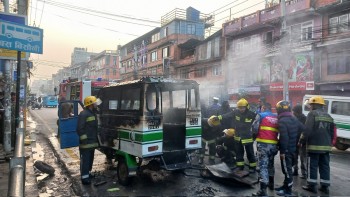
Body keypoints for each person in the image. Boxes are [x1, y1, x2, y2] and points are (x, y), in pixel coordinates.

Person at [209, 98, 257, 172]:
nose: (241, 109)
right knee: (239, 152)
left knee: (250, 152)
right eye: (240, 107)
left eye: (243, 107)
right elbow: (226, 115)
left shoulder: (252, 114)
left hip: (247, 137)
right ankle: (240, 166)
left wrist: (255, 135)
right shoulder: (236, 112)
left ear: (247, 106)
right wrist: (217, 117)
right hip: (238, 136)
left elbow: (256, 126)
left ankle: (252, 167)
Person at [300, 96, 336, 195]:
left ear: (314, 105)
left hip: (314, 146)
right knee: (325, 165)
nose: (310, 107)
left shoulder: (312, 114)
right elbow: (332, 131)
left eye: (311, 105)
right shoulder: (328, 116)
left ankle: (311, 185)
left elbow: (307, 130)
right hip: (326, 146)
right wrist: (329, 143)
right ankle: (325, 186)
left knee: (312, 165)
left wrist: (302, 140)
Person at [274, 100, 303, 196]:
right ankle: (285, 186)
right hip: (292, 148)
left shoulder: (282, 121)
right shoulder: (294, 118)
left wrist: (282, 151)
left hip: (286, 149)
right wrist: (296, 140)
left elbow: (284, 137)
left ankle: (288, 191)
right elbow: (302, 129)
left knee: (287, 170)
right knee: (288, 168)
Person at [251, 103, 279, 196]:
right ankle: (271, 184)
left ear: (263, 108)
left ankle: (263, 191)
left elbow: (254, 128)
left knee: (263, 166)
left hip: (263, 144)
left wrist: (253, 137)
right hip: (274, 145)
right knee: (271, 164)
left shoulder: (261, 115)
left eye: (261, 108)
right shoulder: (276, 117)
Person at [77, 96, 101, 185]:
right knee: (85, 161)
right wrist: (84, 140)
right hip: (86, 144)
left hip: (92, 143)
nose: (96, 104)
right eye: (94, 103)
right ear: (90, 104)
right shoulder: (84, 114)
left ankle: (88, 173)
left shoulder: (92, 113)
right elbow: (80, 128)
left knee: (90, 160)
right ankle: (84, 178)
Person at [292, 104, 307, 179]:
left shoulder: (304, 119)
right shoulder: (295, 118)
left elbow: (305, 130)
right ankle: (296, 170)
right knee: (296, 156)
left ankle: (303, 173)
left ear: (297, 111)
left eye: (294, 111)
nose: (293, 112)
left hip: (301, 141)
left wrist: (301, 140)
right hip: (296, 140)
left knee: (302, 157)